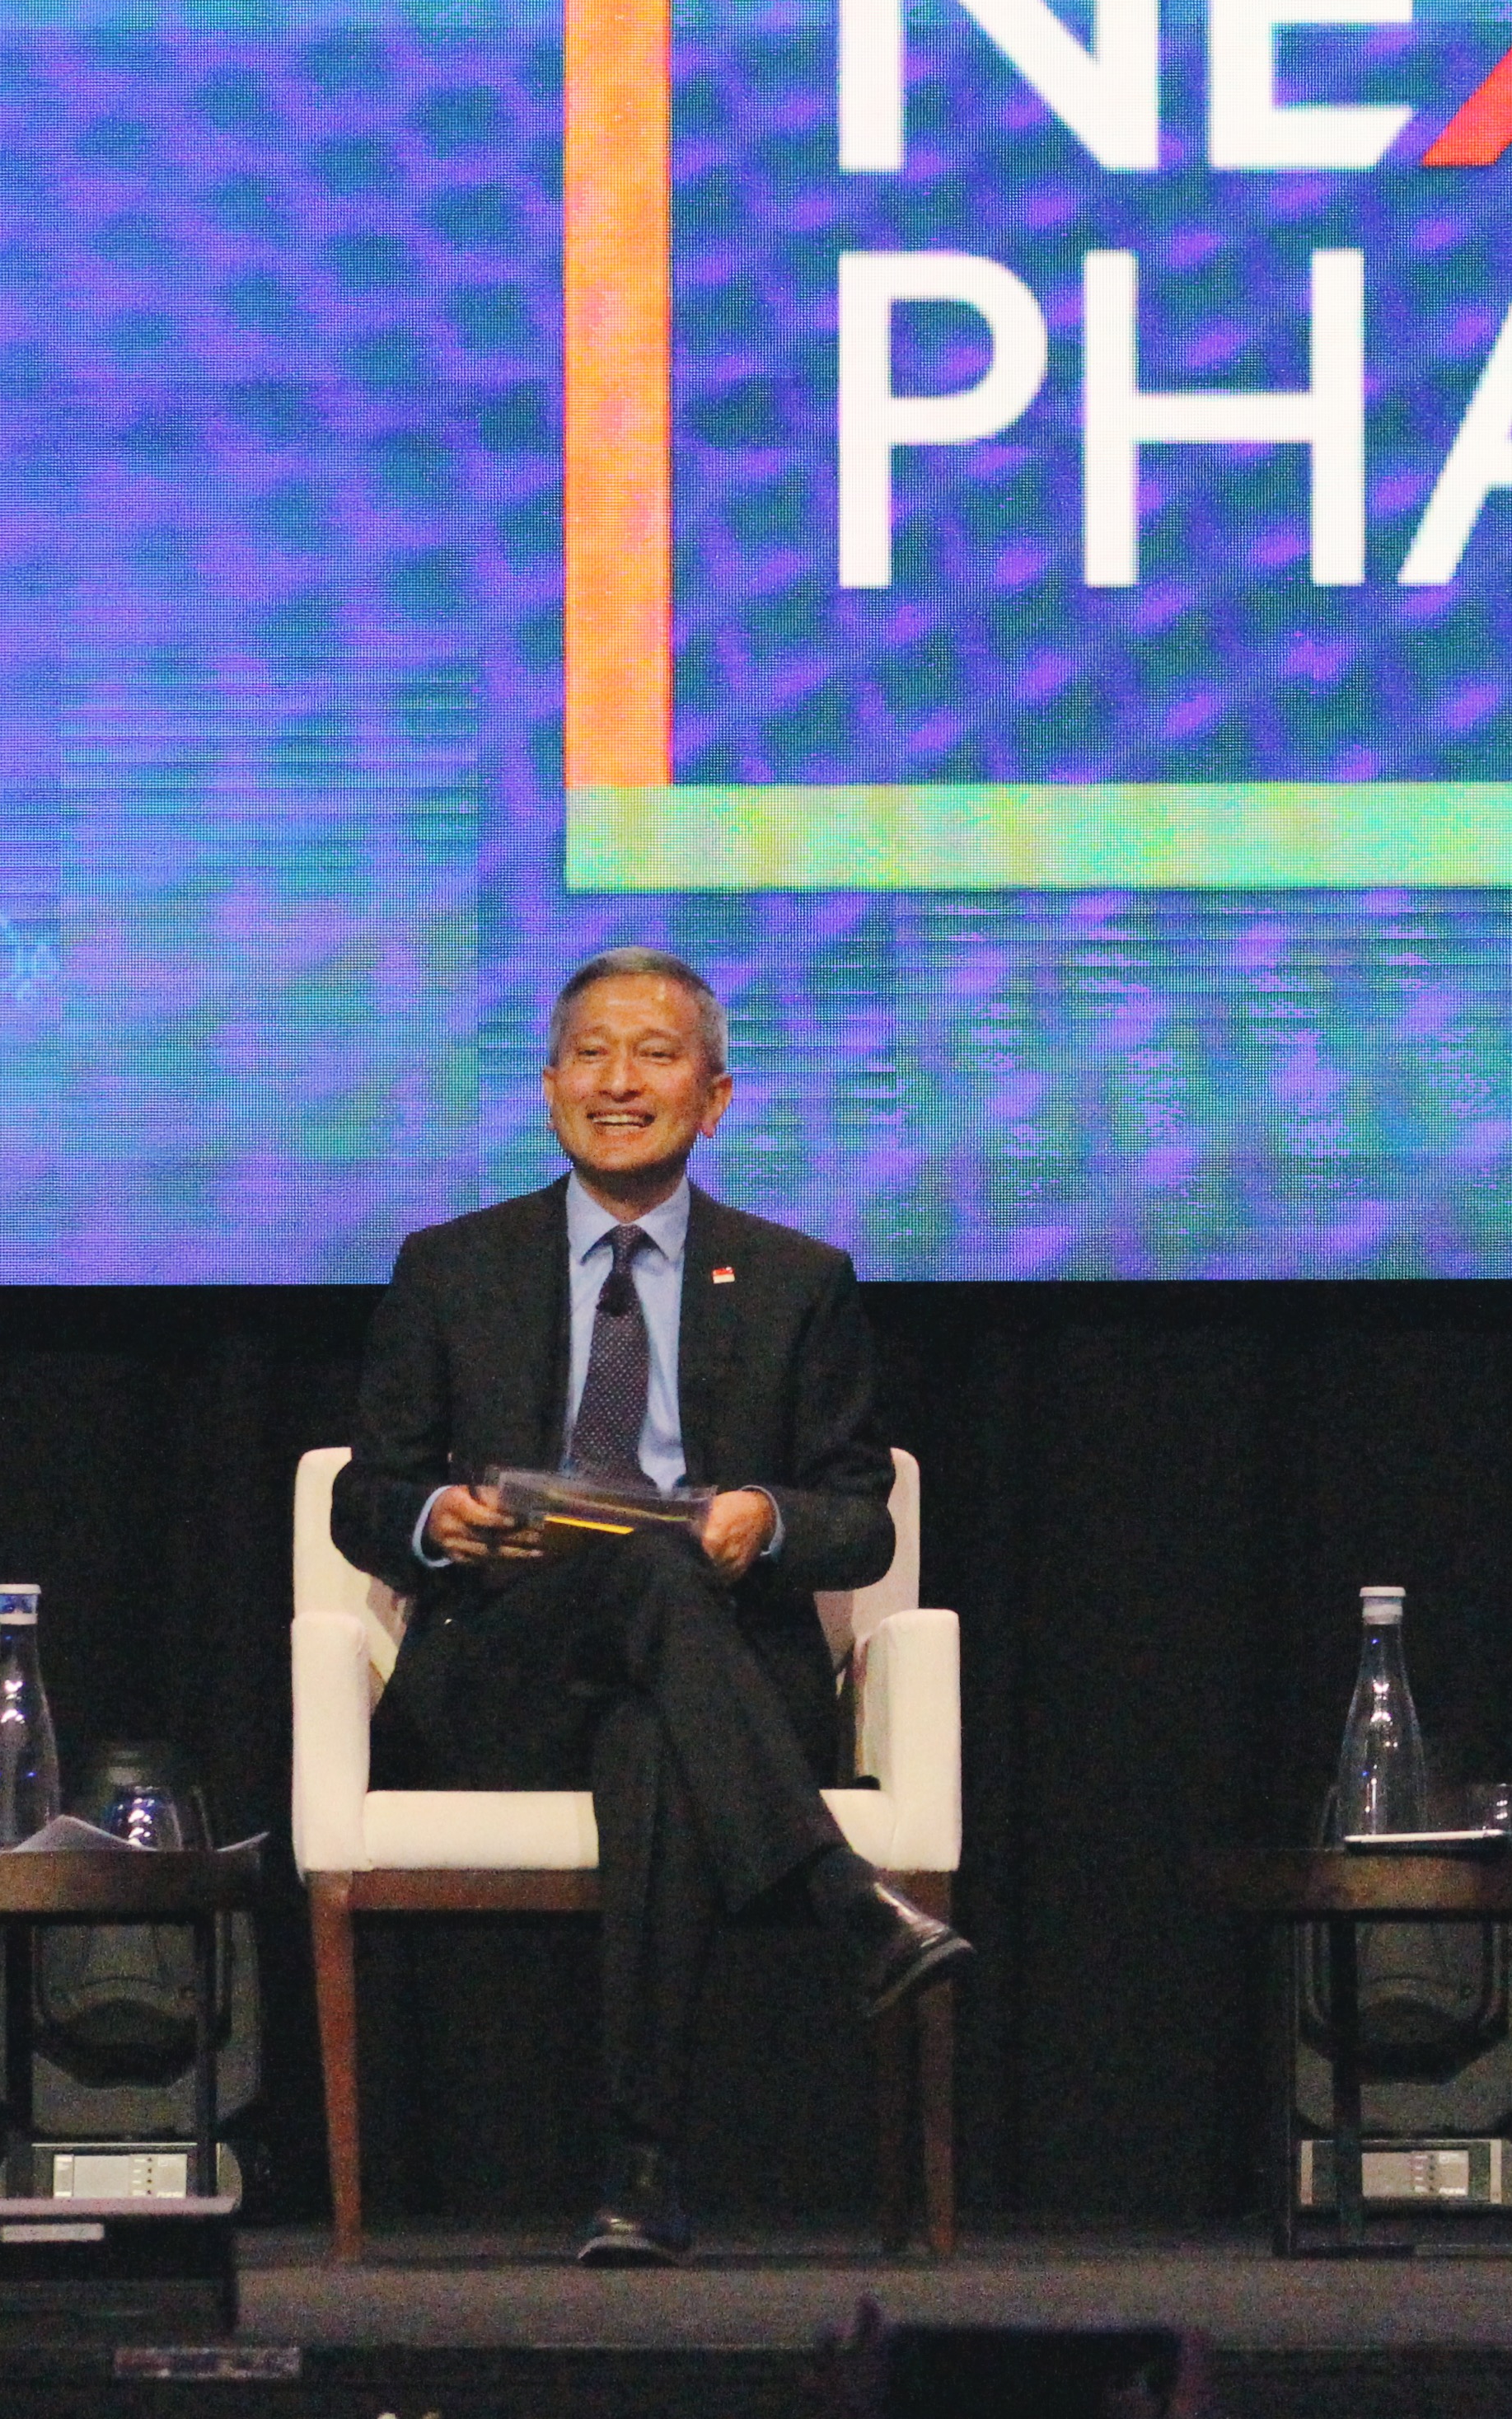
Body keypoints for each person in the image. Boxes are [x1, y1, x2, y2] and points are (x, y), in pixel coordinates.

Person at [331, 949, 971, 2265]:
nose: (621, 1082)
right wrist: (432, 1519)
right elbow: (363, 1496)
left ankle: (639, 2179)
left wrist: (770, 1520)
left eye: (658, 1054)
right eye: (592, 1055)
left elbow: (863, 1514)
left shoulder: (799, 1279)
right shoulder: (451, 1265)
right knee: (633, 1554)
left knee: (653, 1703)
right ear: (550, 1088)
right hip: (502, 1672)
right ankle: (840, 1891)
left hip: (708, 1680)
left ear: (717, 1097)